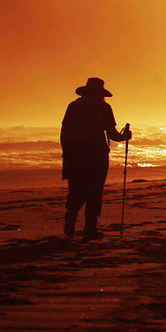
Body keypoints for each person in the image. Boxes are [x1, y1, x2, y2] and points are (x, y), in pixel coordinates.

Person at [60, 77, 132, 239]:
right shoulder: (103, 107)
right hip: (97, 154)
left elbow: (64, 132)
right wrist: (125, 136)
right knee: (94, 191)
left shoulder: (74, 106)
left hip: (76, 154)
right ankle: (89, 228)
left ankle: (70, 219)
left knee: (76, 188)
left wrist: (66, 151)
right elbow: (112, 134)